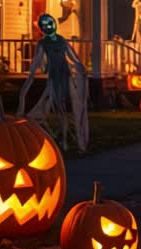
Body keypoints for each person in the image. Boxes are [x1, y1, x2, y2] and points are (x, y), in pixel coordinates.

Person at [17, 13, 89, 151]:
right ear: (41, 28)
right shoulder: (43, 43)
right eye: (45, 25)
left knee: (64, 107)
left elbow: (72, 57)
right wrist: (34, 75)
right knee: (58, 106)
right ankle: (61, 139)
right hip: (54, 76)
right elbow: (38, 61)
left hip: (65, 75)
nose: (49, 26)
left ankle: (64, 138)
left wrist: (80, 67)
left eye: (50, 23)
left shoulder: (62, 41)